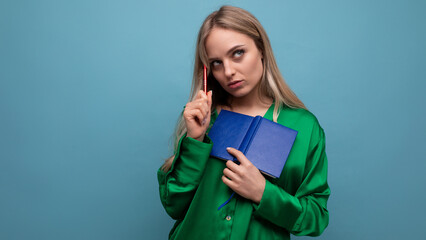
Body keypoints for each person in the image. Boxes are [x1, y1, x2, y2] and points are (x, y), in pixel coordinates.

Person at [157, 5, 330, 240]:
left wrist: (263, 193)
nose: (228, 71)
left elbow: (316, 218)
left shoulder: (304, 127)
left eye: (238, 53)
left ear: (261, 49)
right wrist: (194, 140)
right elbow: (173, 205)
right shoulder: (202, 118)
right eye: (217, 62)